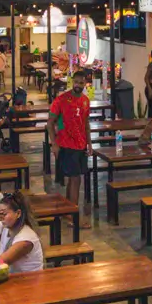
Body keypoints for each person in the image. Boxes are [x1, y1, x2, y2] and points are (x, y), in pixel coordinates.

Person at [48, 70, 92, 229]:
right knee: (75, 180)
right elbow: (50, 123)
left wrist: (90, 144)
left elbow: (86, 124)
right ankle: (74, 217)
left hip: (80, 145)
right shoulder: (61, 100)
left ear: (85, 84)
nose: (78, 85)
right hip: (67, 145)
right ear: (72, 82)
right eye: (76, 82)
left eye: (82, 83)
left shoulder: (86, 101)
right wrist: (54, 143)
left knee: (74, 180)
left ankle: (68, 213)